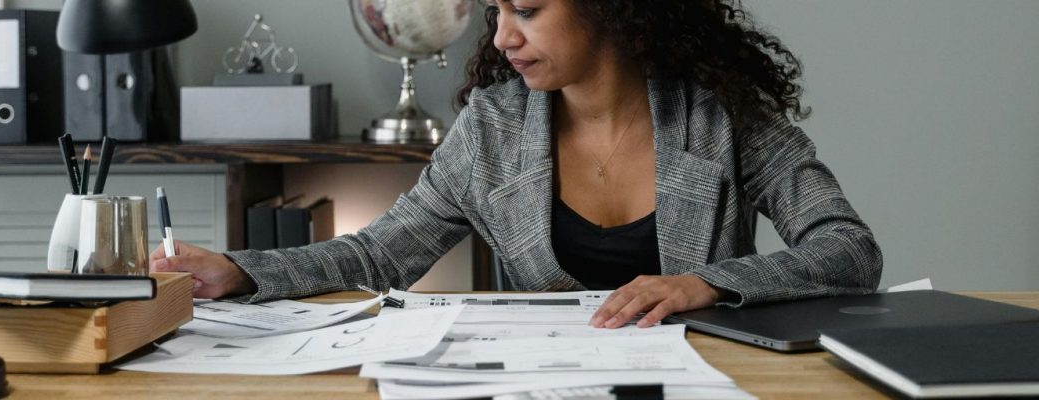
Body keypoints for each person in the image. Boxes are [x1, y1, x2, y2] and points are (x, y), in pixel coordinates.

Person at [153, 0, 882, 329]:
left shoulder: (722, 116)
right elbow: (381, 255)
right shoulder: (491, 130)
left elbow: (848, 249)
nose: (502, 35)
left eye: (526, 9)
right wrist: (243, 272)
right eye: (496, 7)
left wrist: (706, 285)